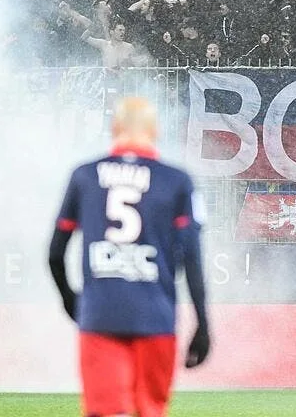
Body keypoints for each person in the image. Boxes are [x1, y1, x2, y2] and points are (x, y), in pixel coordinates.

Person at [49, 96, 211, 417]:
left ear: (114, 128)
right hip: (157, 318)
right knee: (149, 411)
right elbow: (192, 259)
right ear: (155, 131)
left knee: (107, 413)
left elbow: (54, 254)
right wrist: (203, 325)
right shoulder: (177, 180)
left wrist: (70, 300)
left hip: (100, 314)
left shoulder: (84, 175)